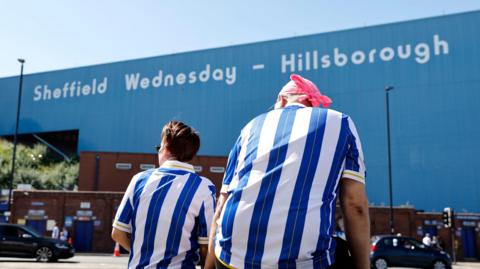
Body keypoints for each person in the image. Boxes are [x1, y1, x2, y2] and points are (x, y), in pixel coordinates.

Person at [208, 74, 370, 269]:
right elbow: (354, 204)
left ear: (282, 99)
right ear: (312, 104)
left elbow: (222, 204)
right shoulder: (340, 122)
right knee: (340, 251)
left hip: (231, 255)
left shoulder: (249, 128)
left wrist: (209, 264)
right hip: (302, 259)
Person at [112, 120, 216, 269]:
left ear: (165, 147)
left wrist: (140, 253)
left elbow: (117, 233)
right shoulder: (204, 187)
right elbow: (207, 245)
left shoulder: (139, 180)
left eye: (158, 147)